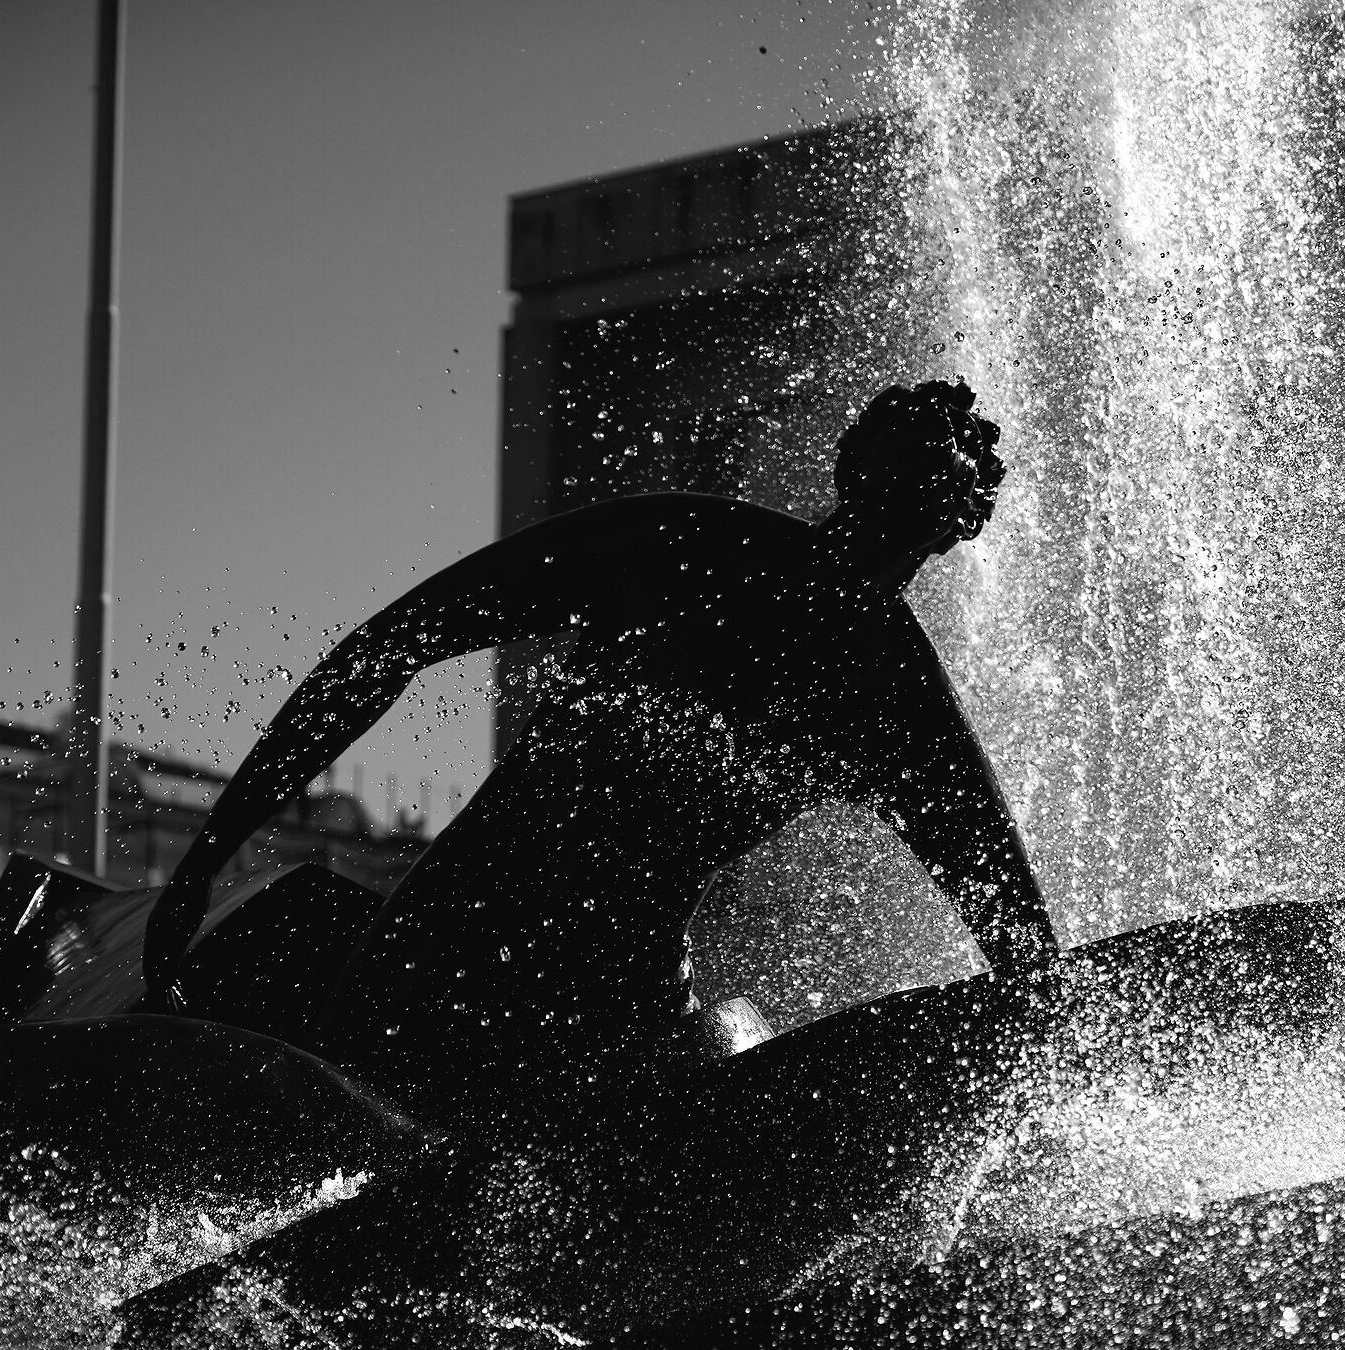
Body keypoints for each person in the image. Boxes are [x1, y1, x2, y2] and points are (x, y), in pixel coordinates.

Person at [141, 380, 1060, 1102]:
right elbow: (394, 642)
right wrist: (203, 861)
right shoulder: (683, 546)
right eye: (899, 472)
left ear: (957, 526)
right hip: (444, 955)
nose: (903, 507)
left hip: (624, 1018)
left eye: (933, 489)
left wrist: (1039, 1086)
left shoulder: (897, 705)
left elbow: (1022, 948)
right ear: (851, 468)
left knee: (735, 1043)